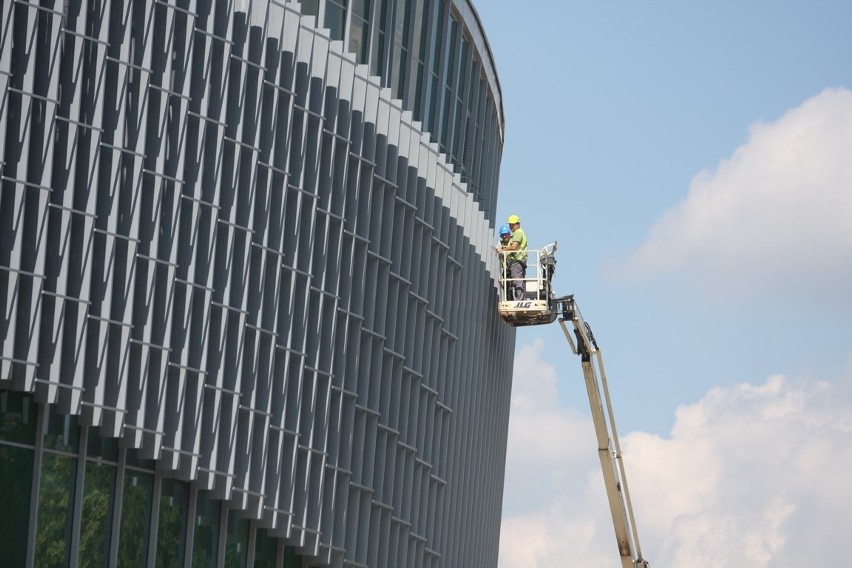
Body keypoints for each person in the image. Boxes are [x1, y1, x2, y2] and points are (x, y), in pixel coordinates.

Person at [500, 214, 527, 300]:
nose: (511, 226)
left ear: (518, 224)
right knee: (519, 281)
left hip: (517, 260)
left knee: (516, 281)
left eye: (512, 224)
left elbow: (514, 247)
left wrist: (503, 250)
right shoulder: (518, 233)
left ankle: (519, 301)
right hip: (519, 260)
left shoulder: (518, 233)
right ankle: (520, 299)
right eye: (510, 225)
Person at [496, 225, 512, 297]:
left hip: (513, 266)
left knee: (516, 283)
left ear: (509, 234)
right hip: (505, 267)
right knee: (506, 284)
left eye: (505, 234)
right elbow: (498, 253)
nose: (504, 237)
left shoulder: (512, 241)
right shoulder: (500, 243)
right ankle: (508, 297)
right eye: (502, 235)